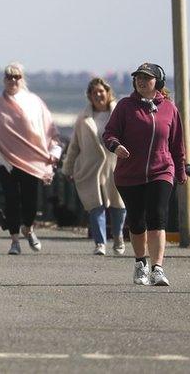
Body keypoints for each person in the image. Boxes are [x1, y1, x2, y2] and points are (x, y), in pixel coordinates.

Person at [103, 63, 186, 287]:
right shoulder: (125, 106)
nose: (141, 81)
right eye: (138, 78)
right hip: (130, 174)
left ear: (157, 83)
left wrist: (180, 170)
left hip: (162, 170)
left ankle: (157, 268)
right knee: (137, 221)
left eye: (146, 78)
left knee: (157, 216)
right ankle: (141, 263)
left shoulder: (169, 108)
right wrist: (115, 146)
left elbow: (177, 143)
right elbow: (109, 133)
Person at [0, 63, 62, 255]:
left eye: (16, 77)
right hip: (4, 161)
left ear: (22, 79)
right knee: (11, 199)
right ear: (4, 80)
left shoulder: (34, 102)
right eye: (9, 77)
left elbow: (48, 128)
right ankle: (14, 239)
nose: (13, 80)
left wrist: (53, 151)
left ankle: (28, 228)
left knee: (30, 201)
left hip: (31, 159)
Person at [63, 77, 127, 256]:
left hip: (115, 164)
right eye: (94, 92)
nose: (98, 95)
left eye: (101, 91)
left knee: (119, 205)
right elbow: (74, 145)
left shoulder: (119, 113)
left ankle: (119, 237)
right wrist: (67, 169)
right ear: (90, 96)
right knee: (95, 205)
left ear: (108, 93)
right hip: (91, 168)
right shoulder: (83, 118)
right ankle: (100, 243)